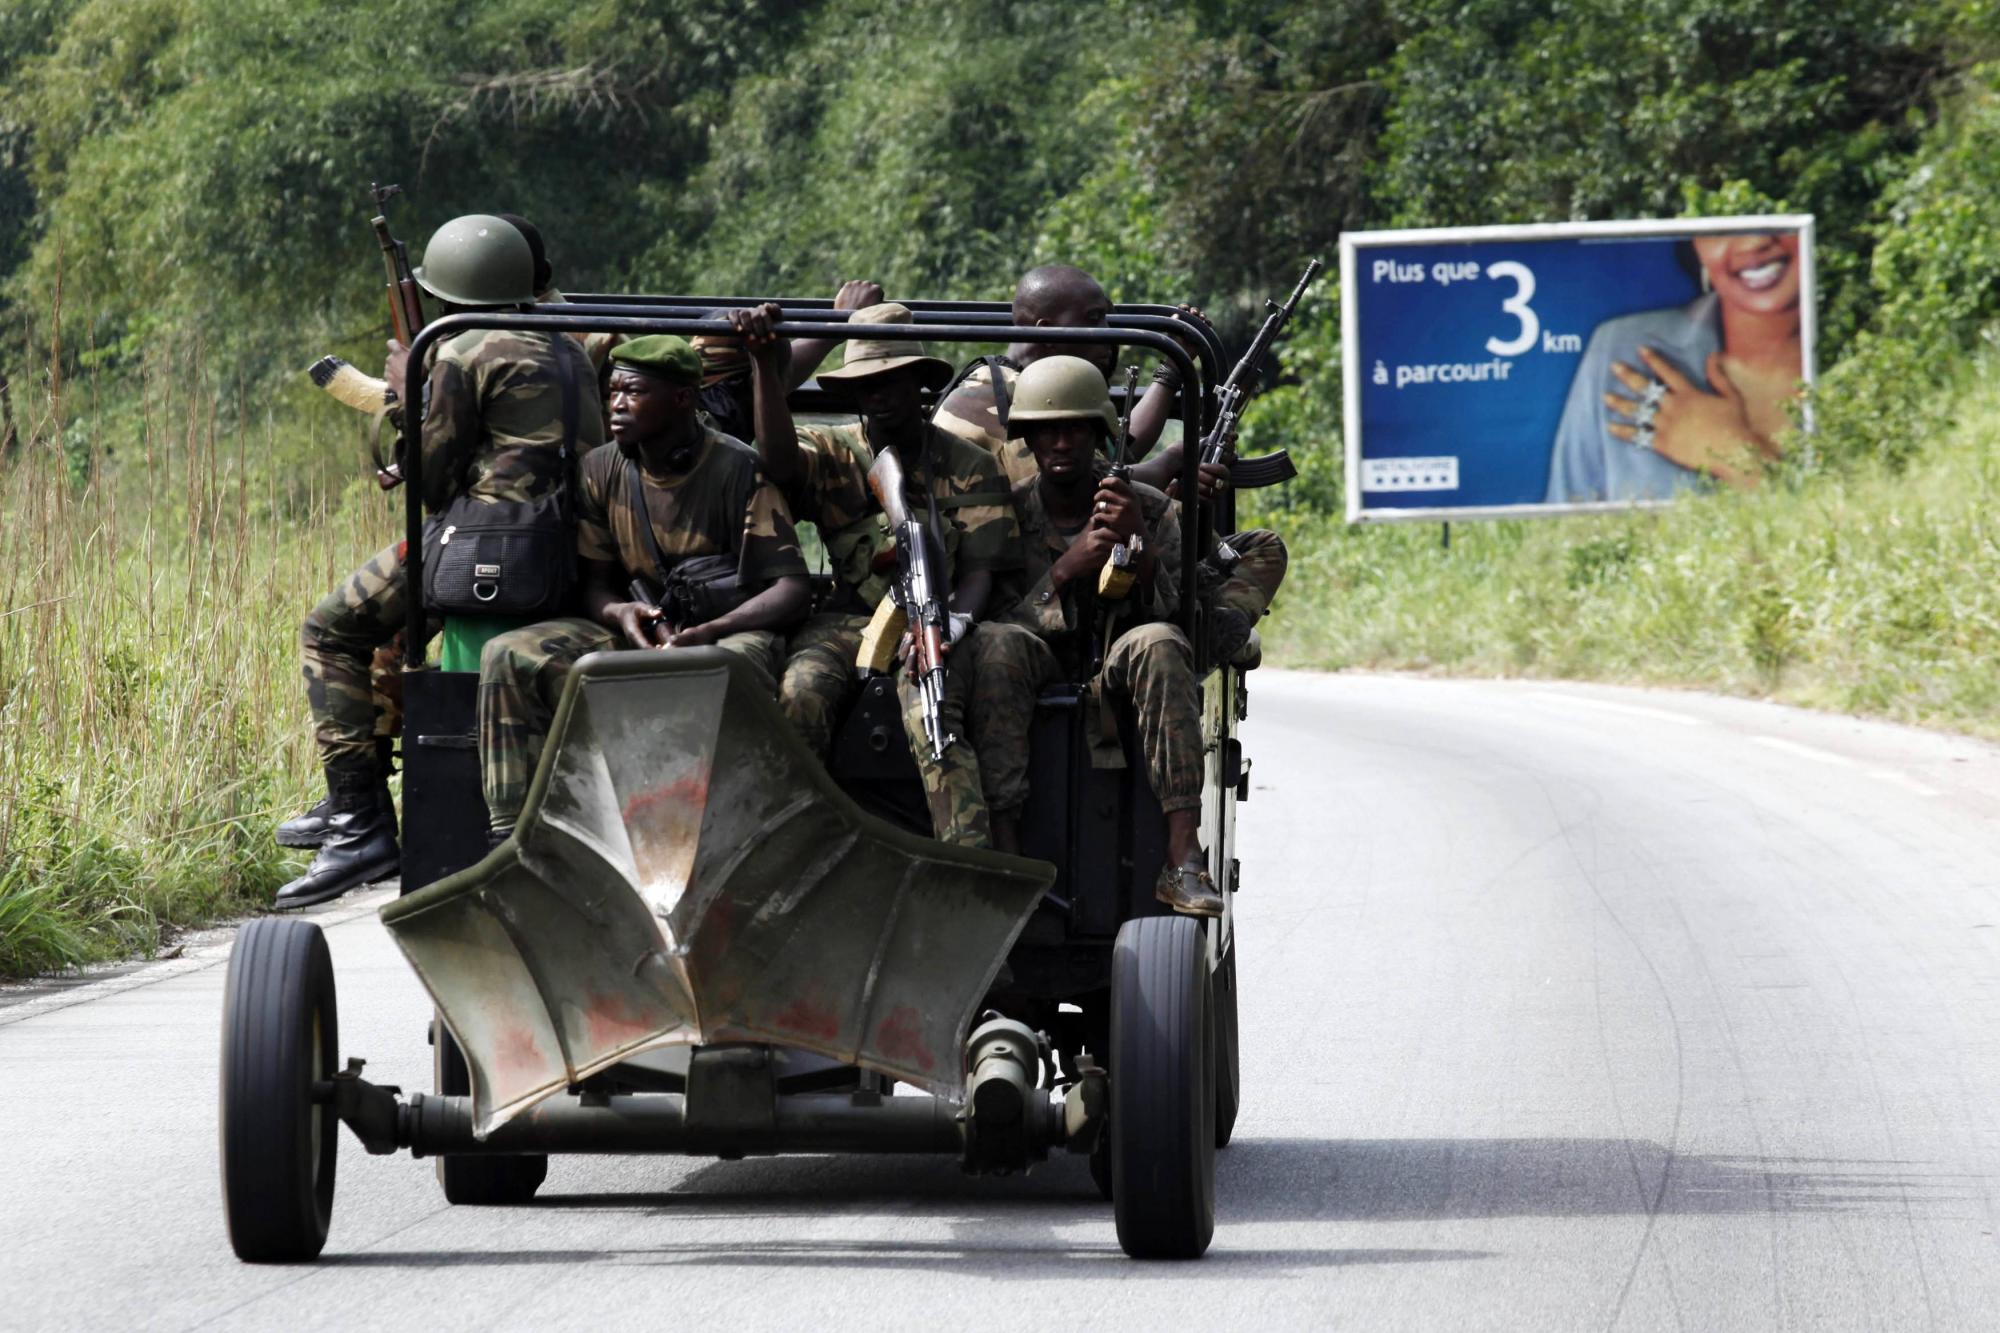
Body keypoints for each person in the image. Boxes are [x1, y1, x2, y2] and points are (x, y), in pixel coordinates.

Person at [275, 213, 605, 909]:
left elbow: (430, 478)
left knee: (330, 629)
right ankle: (359, 795)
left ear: (449, 289)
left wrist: (409, 388)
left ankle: (359, 821)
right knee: (392, 636)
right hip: (569, 541)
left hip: (492, 545)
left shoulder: (460, 352)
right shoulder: (567, 347)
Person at [476, 335, 812, 839]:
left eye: (634, 392)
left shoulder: (737, 467)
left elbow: (790, 589)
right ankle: (514, 838)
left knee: (730, 668)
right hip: (644, 625)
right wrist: (620, 615)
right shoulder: (600, 469)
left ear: (682, 400)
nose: (616, 404)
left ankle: (731, 831)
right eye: (612, 391)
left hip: (725, 632)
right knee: (508, 654)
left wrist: (710, 631)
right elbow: (596, 584)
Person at [734, 300, 1021, 847]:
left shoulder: (970, 464)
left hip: (938, 619)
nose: (880, 394)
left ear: (918, 383)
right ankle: (788, 847)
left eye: (894, 380)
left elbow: (983, 569)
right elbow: (774, 461)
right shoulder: (832, 449)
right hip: (849, 624)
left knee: (933, 713)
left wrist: (951, 624)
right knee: (801, 692)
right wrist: (764, 371)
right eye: (867, 384)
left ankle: (968, 861)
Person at [966, 356, 1222, 916]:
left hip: (1122, 665)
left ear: (1098, 434)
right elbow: (993, 623)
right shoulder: (1003, 517)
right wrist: (1067, 569)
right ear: (1027, 439)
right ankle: (1007, 853)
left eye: (1076, 428)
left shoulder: (1150, 509)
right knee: (995, 645)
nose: (1061, 443)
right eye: (1047, 430)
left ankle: (1182, 855)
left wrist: (1141, 548)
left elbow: (1182, 620)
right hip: (1035, 665)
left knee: (1157, 640)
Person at [932, 263, 1286, 664]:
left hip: (1064, 545)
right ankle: (1205, 636)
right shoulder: (997, 399)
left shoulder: (1016, 384)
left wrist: (1170, 375)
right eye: (1093, 320)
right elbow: (1078, 484)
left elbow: (1117, 454)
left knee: (1258, 547)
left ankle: (1216, 628)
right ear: (1046, 331)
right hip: (1030, 566)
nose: (1107, 334)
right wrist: (1169, 467)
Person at [1545, 230, 1806, 503]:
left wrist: (1740, 458)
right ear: (1696, 247)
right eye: (1719, 232)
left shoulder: (1846, 360)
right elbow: (1558, 529)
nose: (1754, 242)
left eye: (1776, 223)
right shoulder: (1625, 350)